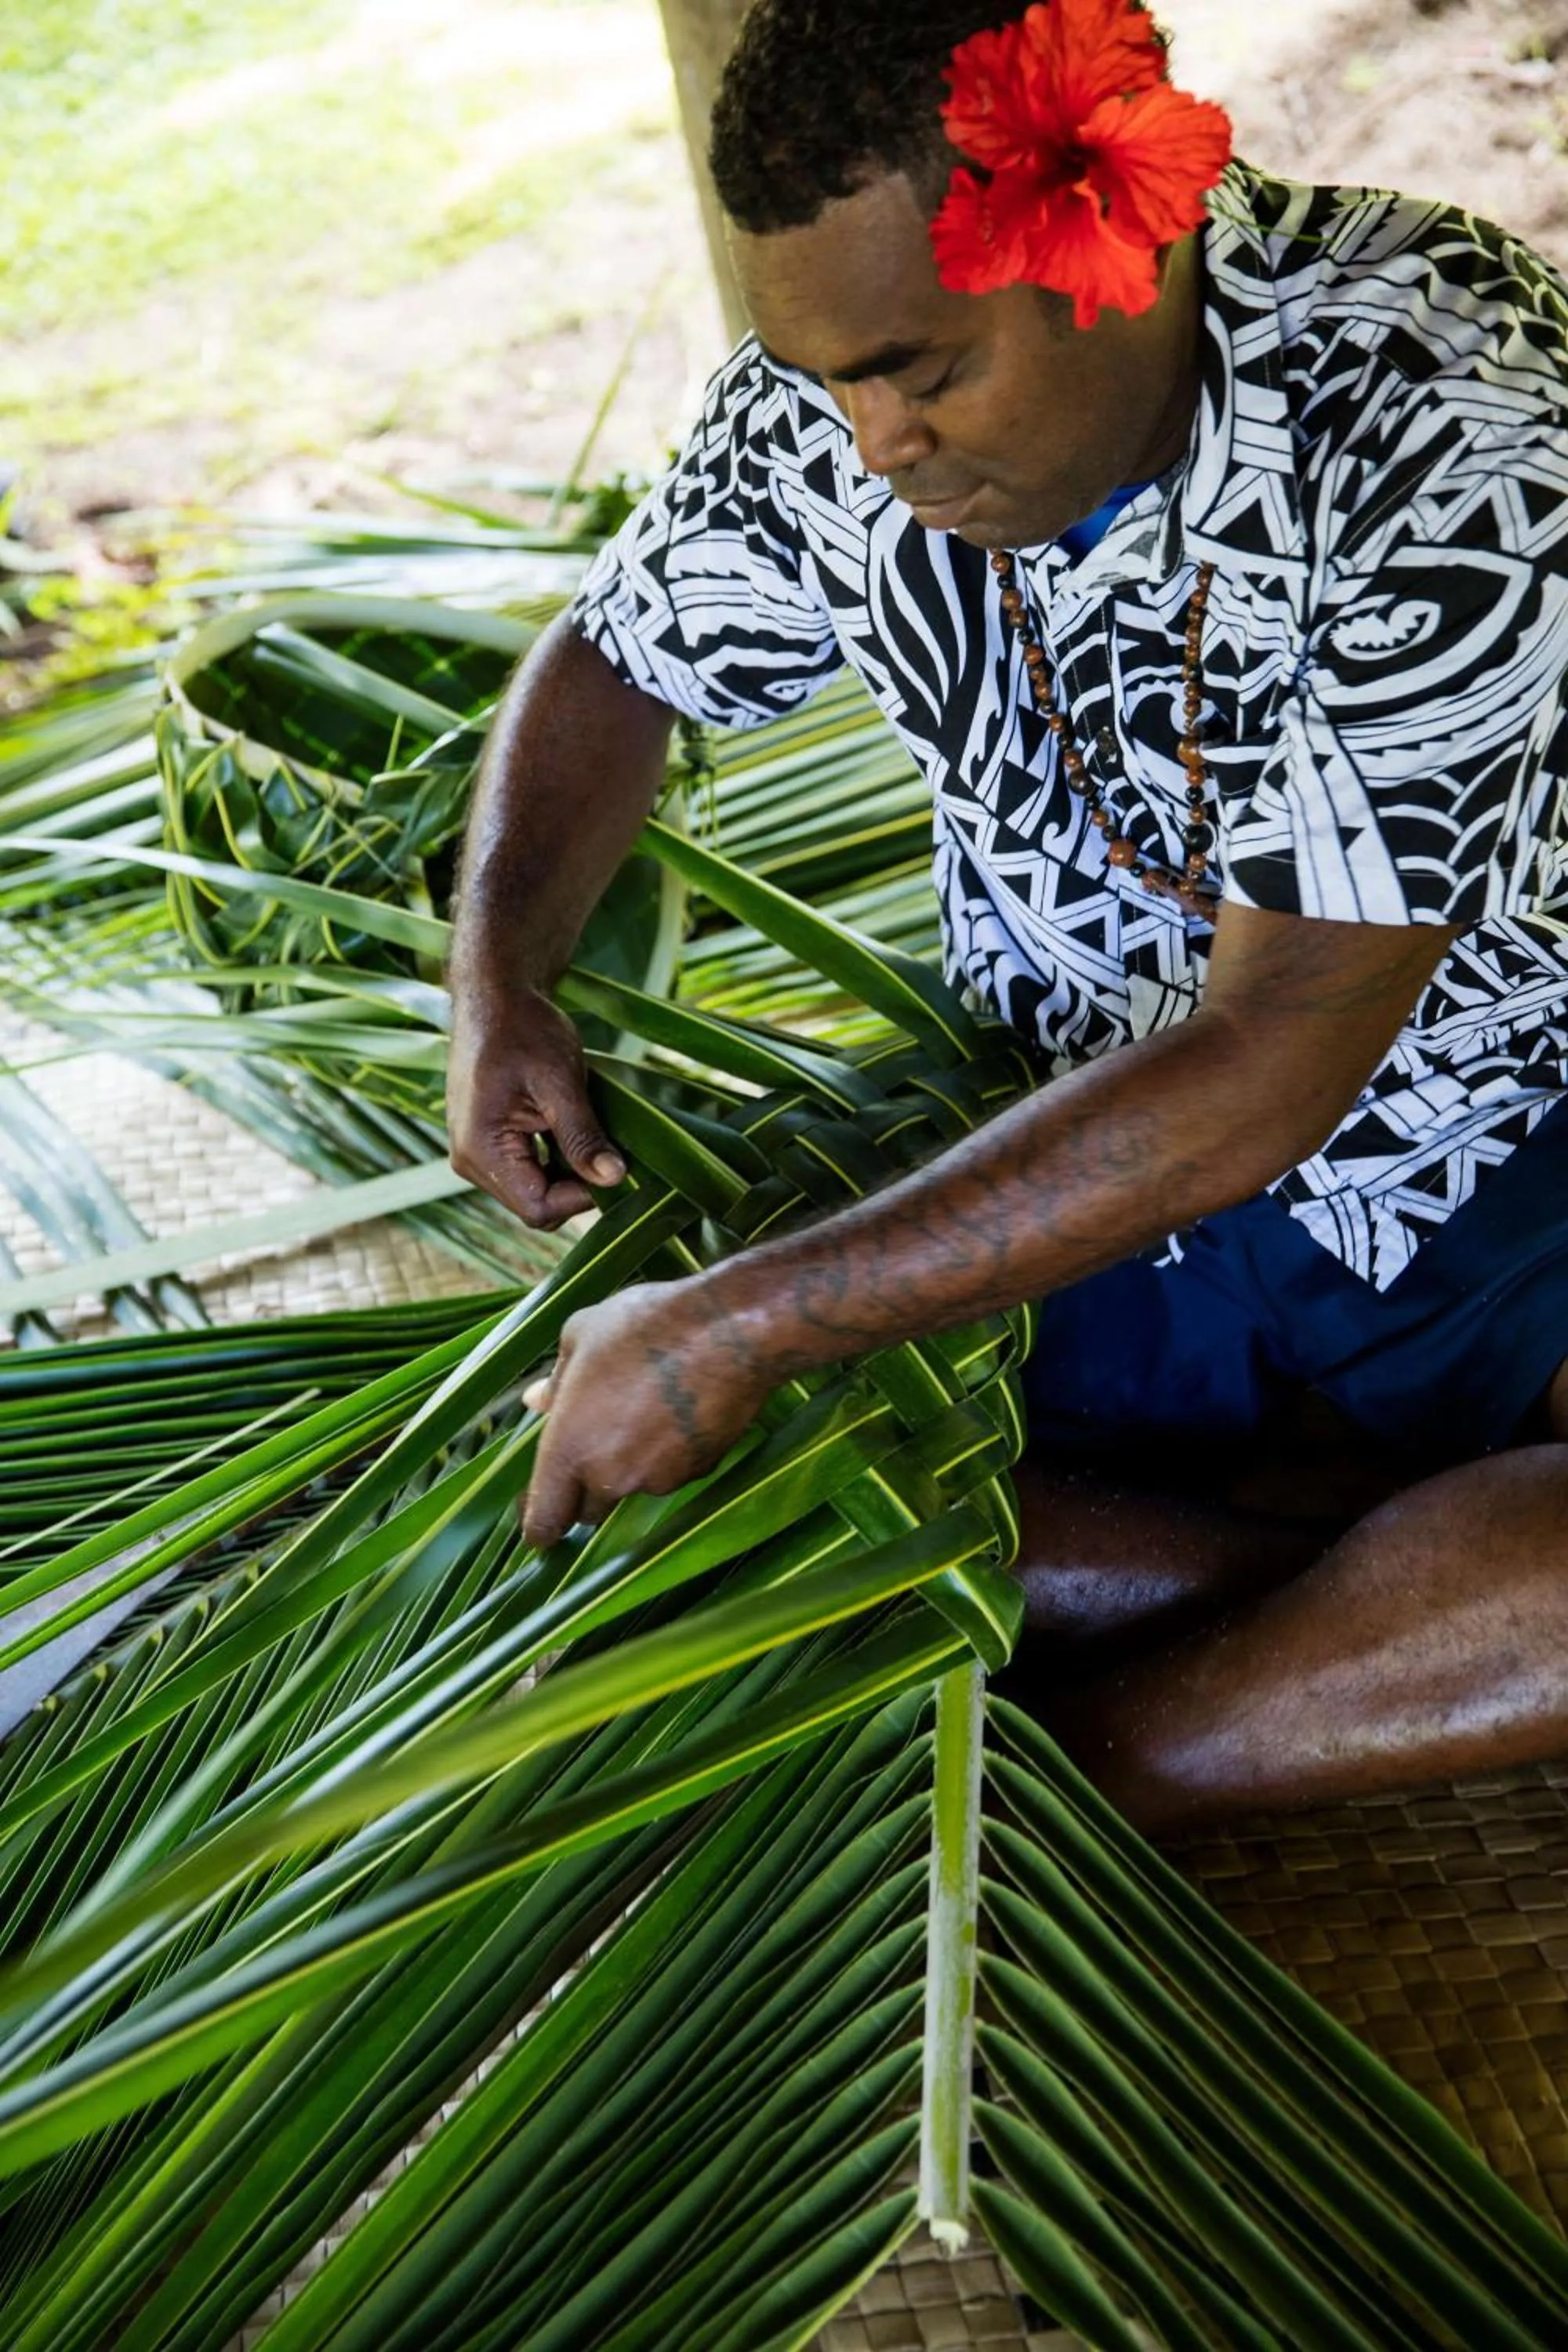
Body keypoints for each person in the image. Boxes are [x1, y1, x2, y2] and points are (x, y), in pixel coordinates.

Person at [445, 0, 1568, 1835]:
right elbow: (614, 654)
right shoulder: (827, 405)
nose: (867, 441)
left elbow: (1270, 1060)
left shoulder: (1445, 411)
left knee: (755, 1404)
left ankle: (1115, 1765)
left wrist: (746, 1320)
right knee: (676, 1493)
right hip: (1067, 1130)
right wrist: (499, 981)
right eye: (823, 382)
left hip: (1486, 1137)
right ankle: (1362, 1598)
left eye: (919, 370)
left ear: (1110, 251)